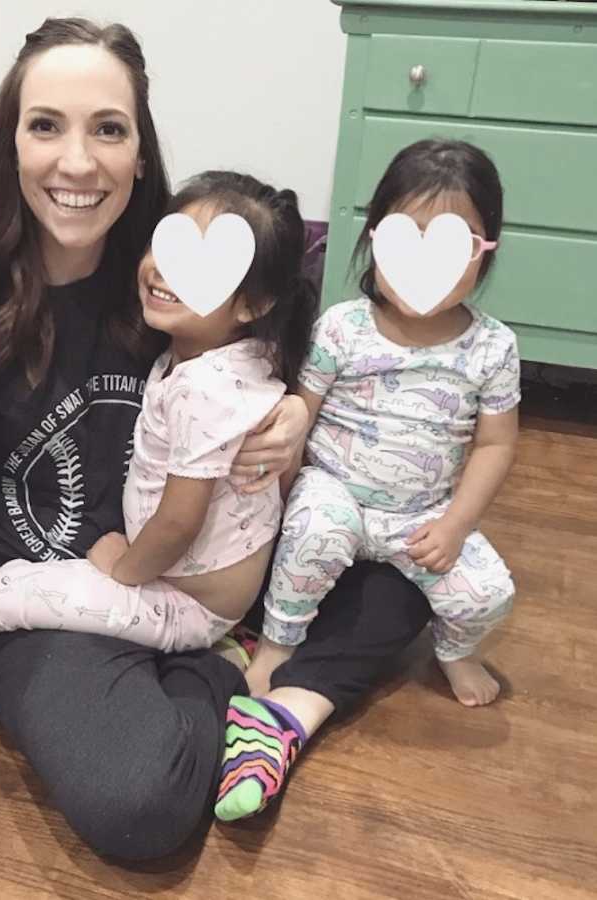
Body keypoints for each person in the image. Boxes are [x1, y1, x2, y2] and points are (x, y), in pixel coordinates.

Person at [0, 18, 432, 860]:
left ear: (139, 151)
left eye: (109, 129)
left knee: (413, 574)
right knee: (140, 808)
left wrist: (301, 407)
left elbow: (304, 282)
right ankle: (244, 679)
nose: (78, 163)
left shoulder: (179, 264)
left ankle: (237, 669)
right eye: (46, 124)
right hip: (48, 603)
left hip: (202, 575)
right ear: (9, 142)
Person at [215, 140, 519, 822]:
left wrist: (457, 524)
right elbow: (302, 412)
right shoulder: (344, 328)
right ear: (374, 240)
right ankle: (280, 646)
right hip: (338, 492)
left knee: (490, 593)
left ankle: (452, 651)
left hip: (425, 511)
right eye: (402, 241)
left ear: (484, 252)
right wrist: (278, 493)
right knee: (313, 536)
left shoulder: (492, 347)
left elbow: (497, 443)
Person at [0, 170, 316, 655]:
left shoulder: (204, 389)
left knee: (10, 596)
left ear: (252, 305)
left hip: (180, 601)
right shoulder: (229, 352)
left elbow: (178, 522)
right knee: (21, 582)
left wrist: (122, 568)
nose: (164, 271)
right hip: (189, 587)